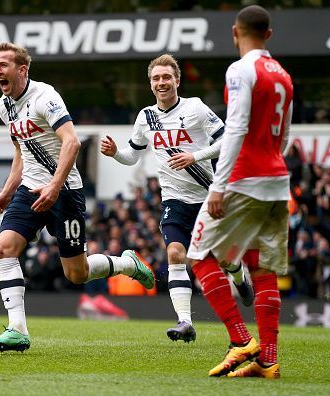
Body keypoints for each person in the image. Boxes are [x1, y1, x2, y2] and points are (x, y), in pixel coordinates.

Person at [0, 42, 154, 352]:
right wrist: (7, 192)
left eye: (4, 65)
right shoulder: (4, 105)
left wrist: (53, 186)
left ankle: (127, 263)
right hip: (30, 189)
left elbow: (72, 143)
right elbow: (21, 152)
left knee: (77, 273)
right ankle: (17, 329)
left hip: (65, 192)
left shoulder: (45, 97)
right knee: (4, 248)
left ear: (22, 69)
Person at [101, 53, 253, 343]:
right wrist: (115, 153)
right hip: (174, 200)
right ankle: (185, 321)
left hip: (208, 197)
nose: (161, 82)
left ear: (177, 81)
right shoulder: (145, 117)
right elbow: (132, 156)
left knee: (224, 258)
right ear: (150, 83)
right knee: (176, 254)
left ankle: (238, 274)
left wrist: (194, 156)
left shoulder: (195, 108)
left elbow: (228, 140)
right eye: (156, 78)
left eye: (166, 77)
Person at [187, 5, 293, 379]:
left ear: (235, 32)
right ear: (269, 34)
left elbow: (236, 128)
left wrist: (218, 186)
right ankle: (268, 359)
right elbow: (285, 135)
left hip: (243, 180)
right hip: (277, 181)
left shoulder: (240, 69)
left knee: (198, 254)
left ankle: (240, 339)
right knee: (262, 268)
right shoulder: (282, 74)